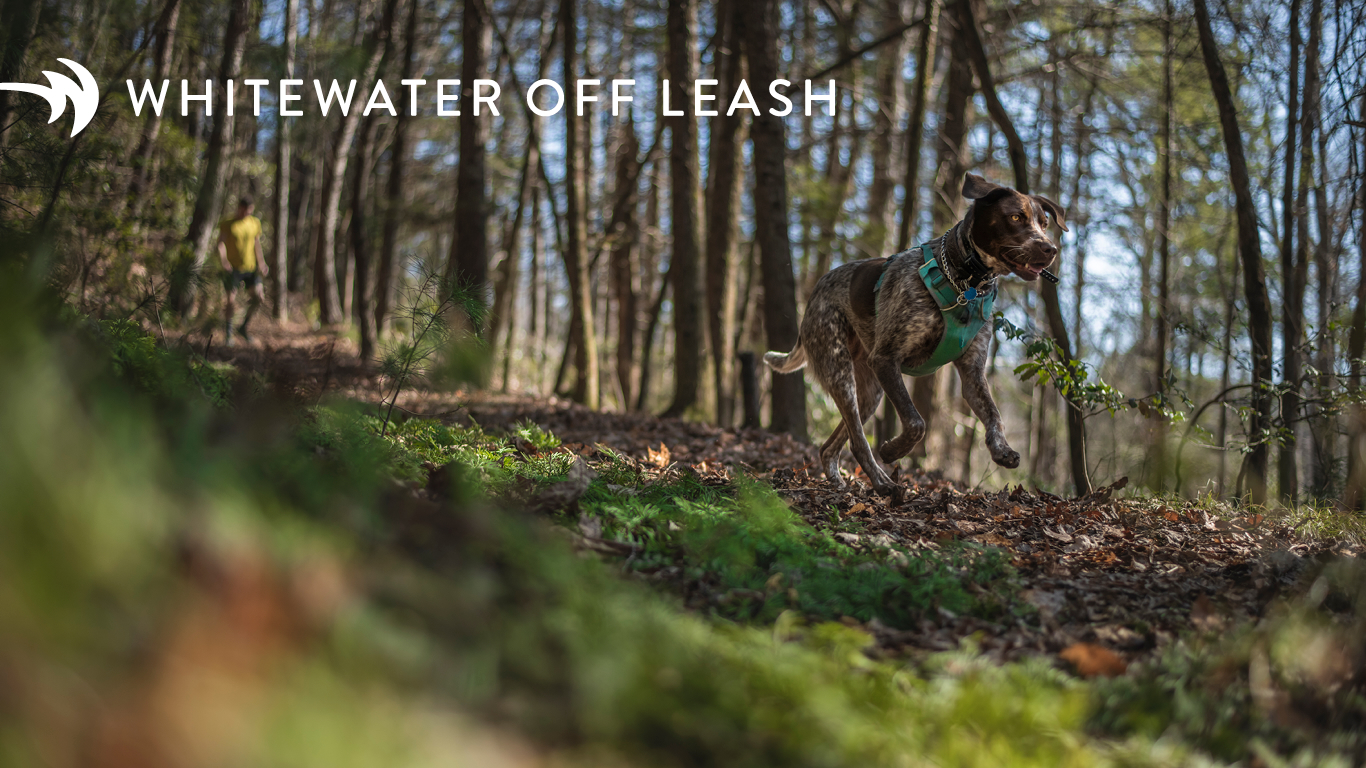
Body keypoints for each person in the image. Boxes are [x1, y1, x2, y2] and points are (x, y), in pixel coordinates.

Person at [217, 195, 267, 345]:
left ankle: (243, 327)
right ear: (239, 208)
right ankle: (228, 334)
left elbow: (256, 244)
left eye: (249, 211)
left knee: (259, 297)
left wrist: (262, 263)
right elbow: (220, 243)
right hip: (233, 269)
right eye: (243, 210)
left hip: (250, 268)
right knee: (230, 301)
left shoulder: (254, 223)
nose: (245, 213)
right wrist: (224, 261)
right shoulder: (228, 224)